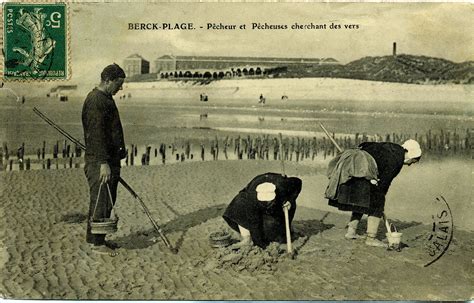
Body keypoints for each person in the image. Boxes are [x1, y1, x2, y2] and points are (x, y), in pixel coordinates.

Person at [326, 139, 422, 247]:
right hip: (362, 169)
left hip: (355, 164)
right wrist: (381, 199)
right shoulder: (397, 160)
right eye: (413, 161)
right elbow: (385, 182)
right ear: (410, 154)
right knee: (377, 202)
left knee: (361, 201)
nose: (410, 164)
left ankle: (351, 232)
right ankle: (371, 238)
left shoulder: (392, 147)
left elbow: (364, 144)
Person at [82, 63, 127, 255]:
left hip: (109, 160)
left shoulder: (106, 98)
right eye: (119, 84)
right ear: (108, 81)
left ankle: (98, 239)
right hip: (101, 162)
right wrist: (103, 163)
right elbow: (96, 134)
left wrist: (119, 151)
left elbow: (111, 130)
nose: (121, 88)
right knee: (100, 201)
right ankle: (96, 244)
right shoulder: (95, 100)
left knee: (106, 201)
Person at [223, 172, 302, 249]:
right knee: (239, 201)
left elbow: (298, 182)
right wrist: (260, 245)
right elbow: (254, 223)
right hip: (252, 202)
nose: (266, 203)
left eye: (269, 201)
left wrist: (290, 200)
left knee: (274, 233)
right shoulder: (252, 196)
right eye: (264, 202)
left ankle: (282, 228)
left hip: (280, 207)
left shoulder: (282, 186)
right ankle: (246, 238)